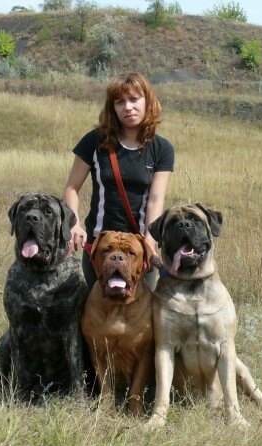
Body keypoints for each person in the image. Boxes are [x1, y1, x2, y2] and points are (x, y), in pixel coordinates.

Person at [63, 72, 174, 291]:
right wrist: (73, 224)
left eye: (134, 99)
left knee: (142, 320)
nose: (128, 107)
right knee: (95, 319)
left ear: (148, 101)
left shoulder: (162, 149)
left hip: (137, 250)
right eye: (120, 102)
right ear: (112, 107)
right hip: (100, 247)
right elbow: (71, 188)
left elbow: (155, 200)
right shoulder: (94, 141)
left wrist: (150, 241)